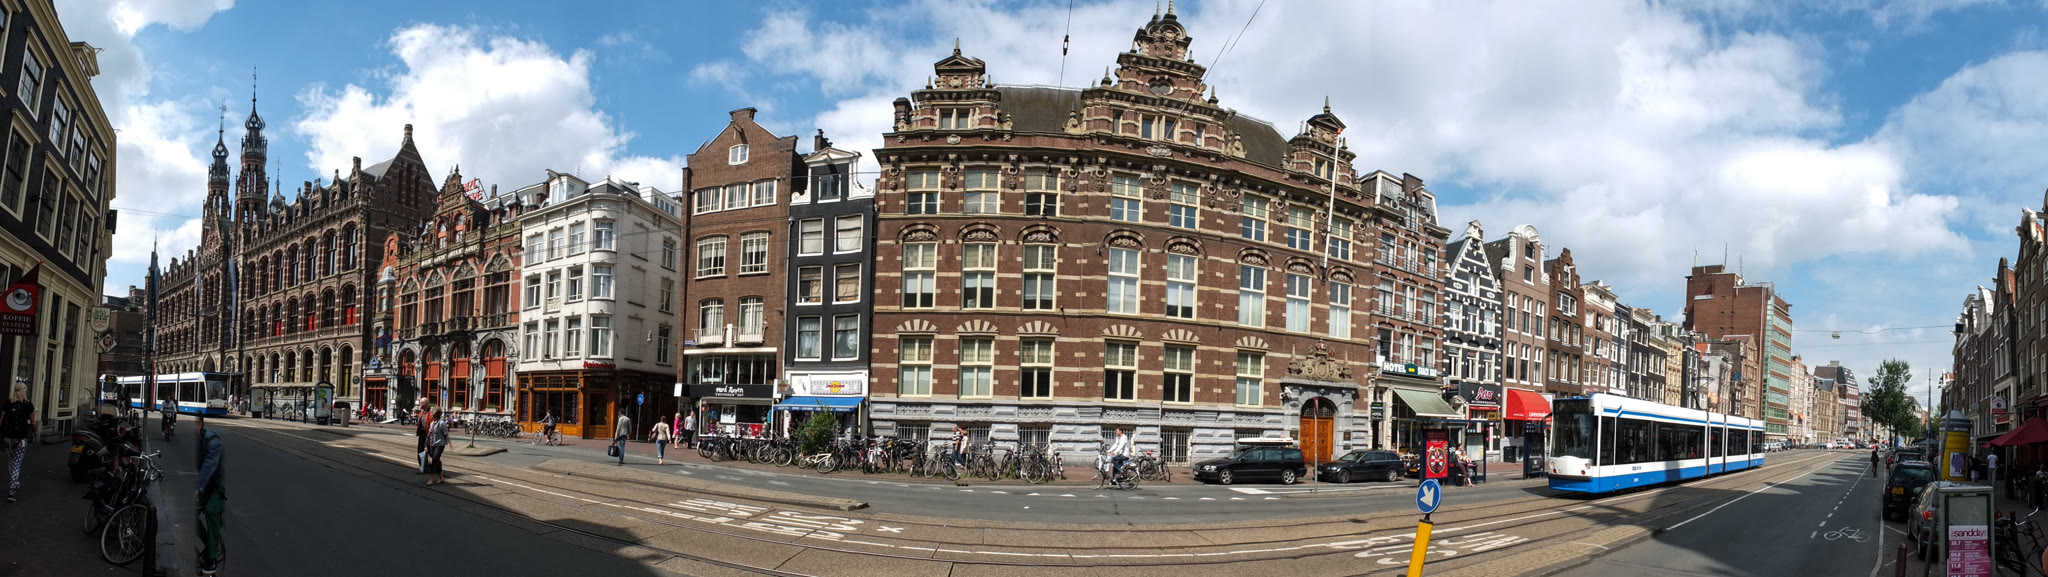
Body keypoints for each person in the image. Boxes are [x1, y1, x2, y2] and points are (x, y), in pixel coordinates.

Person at [194, 414, 226, 574]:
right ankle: (210, 543)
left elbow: (209, 465)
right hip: (205, 485)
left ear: (200, 425)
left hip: (217, 485)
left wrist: (198, 488)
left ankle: (212, 558)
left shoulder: (212, 440)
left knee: (211, 511)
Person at [2, 382, 34, 503]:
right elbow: (33, 422)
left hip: (7, 439)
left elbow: (1, 419)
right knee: (16, 463)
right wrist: (34, 432)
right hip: (21, 440)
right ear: (24, 391)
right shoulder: (28, 405)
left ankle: (14, 482)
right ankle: (12, 490)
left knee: (12, 461)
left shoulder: (8, 403)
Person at [425, 410, 449, 485]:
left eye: (432, 413)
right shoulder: (432, 423)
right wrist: (426, 446)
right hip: (432, 444)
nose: (430, 414)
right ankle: (441, 478)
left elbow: (446, 434)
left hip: (440, 444)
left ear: (436, 414)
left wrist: (447, 442)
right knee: (436, 460)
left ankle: (431, 479)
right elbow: (429, 435)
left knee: (434, 460)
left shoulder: (441, 423)